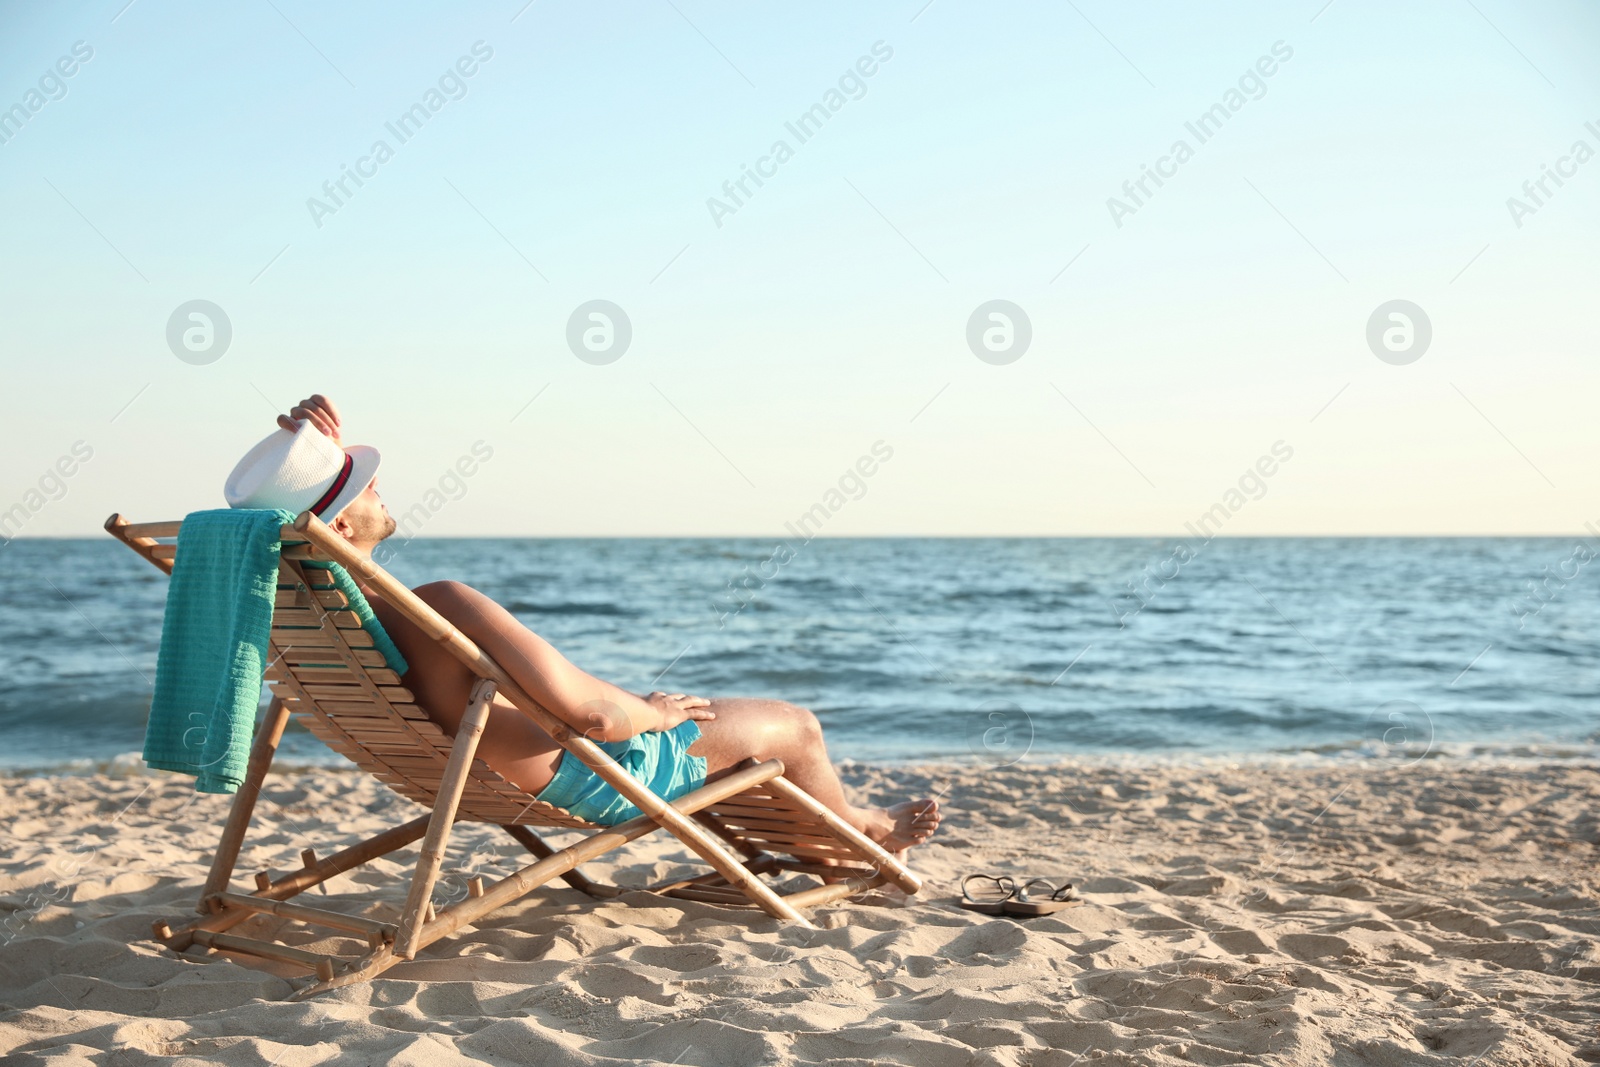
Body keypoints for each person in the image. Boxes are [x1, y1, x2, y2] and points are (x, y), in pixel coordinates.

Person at [253, 394, 940, 854]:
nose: (378, 486)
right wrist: (652, 710)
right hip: (594, 776)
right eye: (361, 484)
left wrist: (307, 455)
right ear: (339, 523)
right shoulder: (438, 604)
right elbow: (595, 718)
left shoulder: (325, 619)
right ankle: (861, 827)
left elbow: (295, 517)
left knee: (729, 732)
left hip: (477, 774)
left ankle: (827, 847)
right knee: (797, 726)